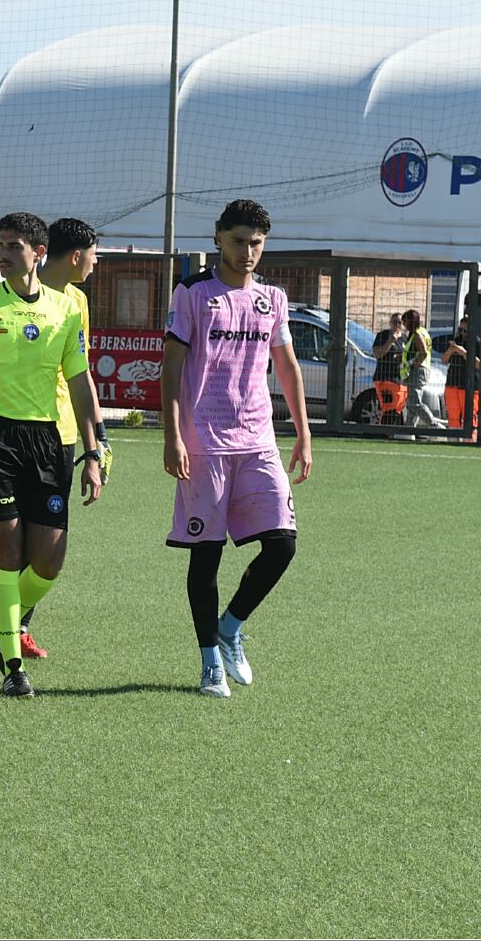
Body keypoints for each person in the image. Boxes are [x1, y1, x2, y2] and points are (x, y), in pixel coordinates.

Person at [0, 211, 103, 698]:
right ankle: (13, 667)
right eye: (0, 246)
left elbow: (80, 384)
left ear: (39, 252)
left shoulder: (67, 310)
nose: (4, 254)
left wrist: (93, 452)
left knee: (49, 561)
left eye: (14, 246)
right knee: (6, 555)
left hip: (48, 442)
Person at [162, 198, 311, 698]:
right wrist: (173, 435)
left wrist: (303, 432)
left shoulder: (273, 299)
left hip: (258, 441)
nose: (248, 252)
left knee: (283, 545)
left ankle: (230, 627)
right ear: (218, 238)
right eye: (239, 241)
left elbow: (286, 365)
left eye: (256, 243)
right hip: (204, 442)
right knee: (206, 556)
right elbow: (171, 367)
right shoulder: (193, 293)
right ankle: (210, 663)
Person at [0, 217, 109, 659]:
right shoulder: (11, 294)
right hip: (10, 434)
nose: (96, 264)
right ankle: (7, 623)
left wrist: (97, 441)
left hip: (60, 435)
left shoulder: (77, 301)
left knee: (46, 546)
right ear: (76, 256)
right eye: (94, 256)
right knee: (15, 540)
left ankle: (11, 620)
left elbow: (81, 372)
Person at [400, 309, 444, 429]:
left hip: (418, 371)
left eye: (404, 321)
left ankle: (434, 425)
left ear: (410, 321)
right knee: (411, 403)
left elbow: (423, 352)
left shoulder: (417, 335)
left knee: (415, 403)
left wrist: (416, 364)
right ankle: (408, 430)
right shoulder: (423, 331)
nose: (403, 324)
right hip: (423, 369)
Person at [439, 315, 480, 437]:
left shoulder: (477, 342)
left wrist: (463, 352)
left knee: (470, 415)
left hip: (469, 385)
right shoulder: (456, 340)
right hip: (452, 382)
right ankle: (453, 438)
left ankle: (470, 439)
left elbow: (479, 364)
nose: (462, 333)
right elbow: (444, 360)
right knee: (453, 415)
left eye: (465, 330)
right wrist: (450, 351)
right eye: (460, 330)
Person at [370, 312, 407, 425]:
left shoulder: (405, 338)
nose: (397, 324)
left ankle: (393, 430)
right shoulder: (383, 336)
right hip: (385, 379)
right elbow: (377, 354)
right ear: (390, 323)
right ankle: (385, 431)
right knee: (388, 408)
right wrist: (390, 341)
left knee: (398, 409)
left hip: (400, 380)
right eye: (394, 322)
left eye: (400, 322)